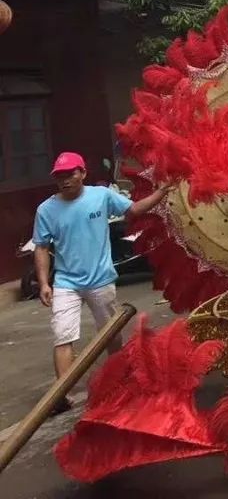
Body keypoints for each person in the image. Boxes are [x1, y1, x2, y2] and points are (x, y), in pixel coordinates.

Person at [34, 152, 172, 409]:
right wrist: (44, 283)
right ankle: (61, 396)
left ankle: (118, 379)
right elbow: (41, 247)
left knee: (110, 333)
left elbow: (133, 210)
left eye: (70, 174)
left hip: (100, 279)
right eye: (59, 176)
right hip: (66, 282)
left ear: (82, 173)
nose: (64, 180)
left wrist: (162, 191)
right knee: (63, 335)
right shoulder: (46, 210)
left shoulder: (101, 196)